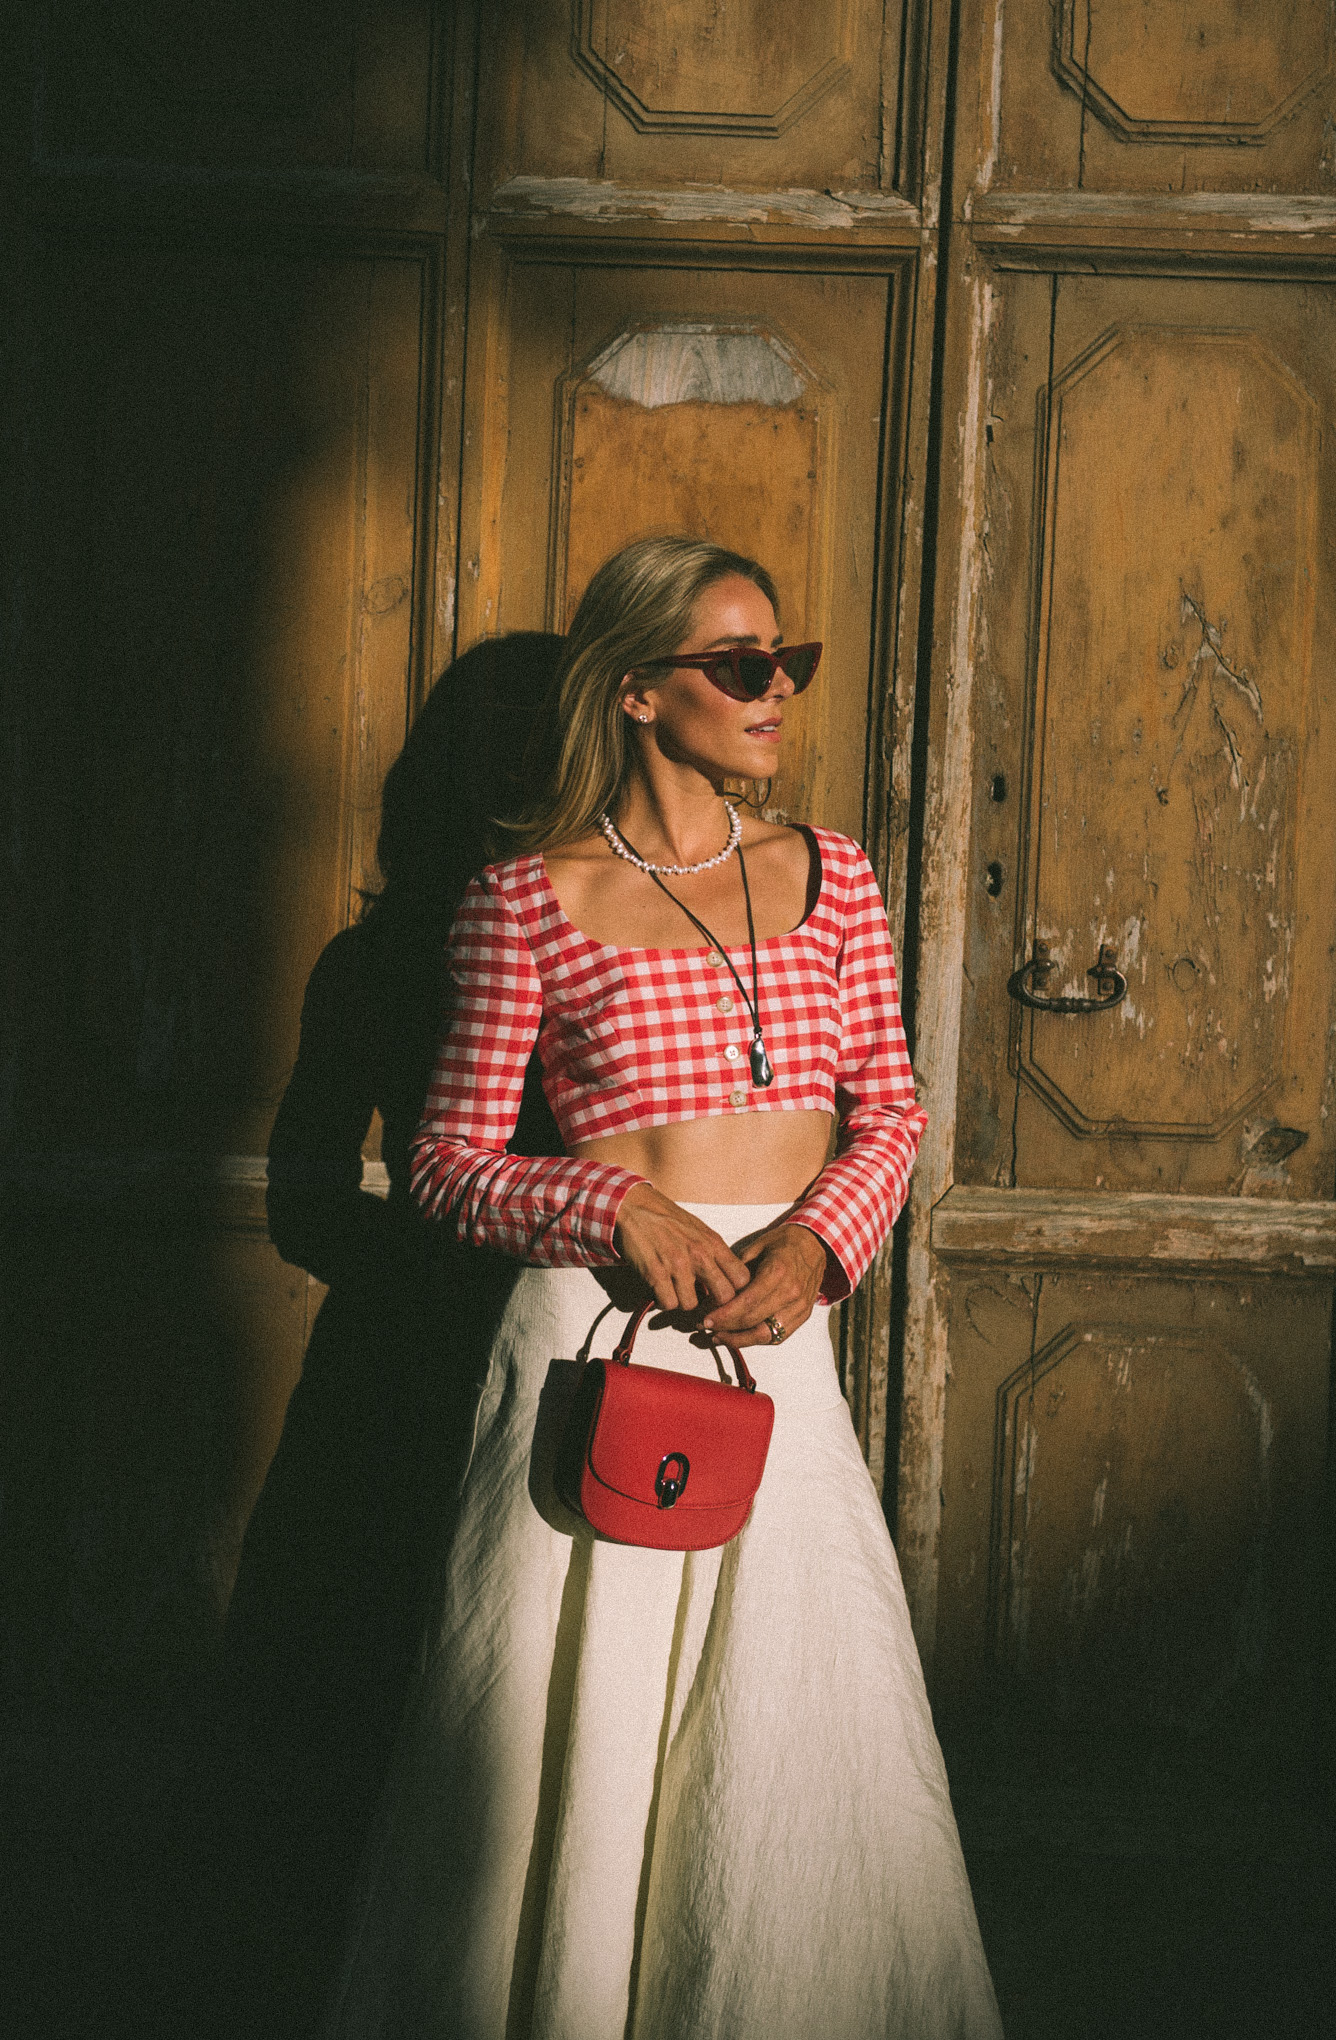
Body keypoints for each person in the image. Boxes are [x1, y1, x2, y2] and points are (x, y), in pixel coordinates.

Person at [327, 539, 1002, 2038]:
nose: (776, 693)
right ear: (636, 691)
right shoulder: (523, 900)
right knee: (577, 1705)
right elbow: (437, 1165)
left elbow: (889, 1110)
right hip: (593, 1332)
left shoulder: (833, 877)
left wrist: (820, 1245)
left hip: (779, 1336)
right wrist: (610, 1202)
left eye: (786, 662)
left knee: (785, 1709)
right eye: (739, 664)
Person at [188, 634, 565, 2039]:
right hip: (493, 1356)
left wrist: (410, 1276)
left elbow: (303, 1195)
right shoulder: (441, 950)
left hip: (423, 1351)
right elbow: (301, 1188)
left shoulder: (387, 949)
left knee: (374, 1697)